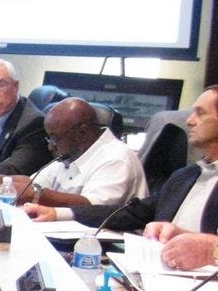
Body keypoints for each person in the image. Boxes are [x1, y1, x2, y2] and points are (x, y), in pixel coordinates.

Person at [25, 85, 218, 272]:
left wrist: (210, 250)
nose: (190, 121)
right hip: (160, 277)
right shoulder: (186, 175)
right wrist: (58, 213)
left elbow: (207, 248)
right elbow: (133, 212)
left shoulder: (116, 156)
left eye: (201, 113)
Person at [11, 97, 147, 207]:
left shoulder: (117, 158)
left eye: (54, 138)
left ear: (82, 132)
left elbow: (93, 208)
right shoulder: (73, 152)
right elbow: (32, 184)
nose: (50, 147)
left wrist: (36, 196)